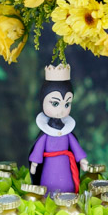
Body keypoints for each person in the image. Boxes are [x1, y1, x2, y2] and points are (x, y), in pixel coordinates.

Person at [28, 63, 88, 194]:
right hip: (49, 169)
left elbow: (75, 147)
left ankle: (68, 197)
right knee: (49, 188)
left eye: (67, 104)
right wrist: (34, 163)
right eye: (55, 103)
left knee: (66, 188)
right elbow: (38, 149)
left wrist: (82, 160)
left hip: (65, 167)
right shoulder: (45, 134)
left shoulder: (67, 132)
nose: (61, 110)